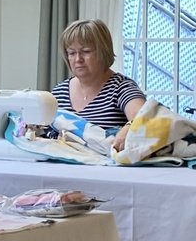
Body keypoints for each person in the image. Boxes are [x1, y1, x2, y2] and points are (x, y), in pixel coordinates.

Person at [52, 18, 145, 151]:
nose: (78, 59)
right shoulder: (59, 93)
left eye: (86, 51)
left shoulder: (121, 87)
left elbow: (144, 116)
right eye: (72, 53)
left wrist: (129, 128)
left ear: (103, 51)